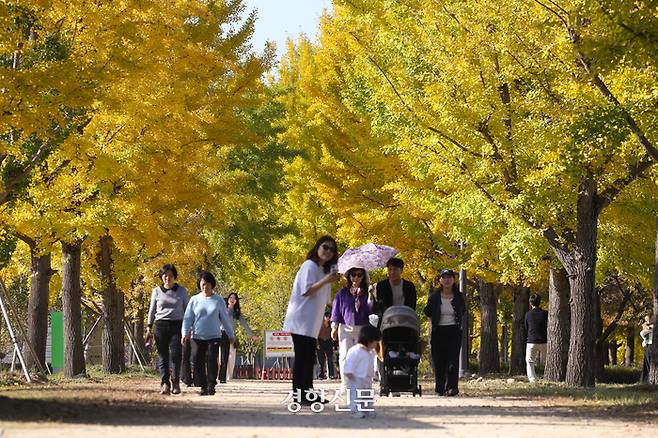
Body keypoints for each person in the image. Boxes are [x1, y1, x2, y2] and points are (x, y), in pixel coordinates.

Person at [283, 235, 340, 405]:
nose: (328, 251)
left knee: (309, 357)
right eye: (325, 247)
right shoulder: (309, 266)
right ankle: (299, 395)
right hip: (300, 319)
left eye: (332, 249)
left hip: (312, 322)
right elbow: (306, 291)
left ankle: (308, 393)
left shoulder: (325, 271)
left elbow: (327, 301)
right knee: (302, 357)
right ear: (317, 248)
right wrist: (326, 280)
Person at [182, 271, 235, 396]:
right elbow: (188, 318)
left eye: (208, 284)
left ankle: (211, 384)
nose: (205, 287)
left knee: (211, 360)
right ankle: (203, 386)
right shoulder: (194, 300)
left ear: (212, 285)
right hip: (197, 336)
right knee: (197, 361)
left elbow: (225, 319)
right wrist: (184, 333)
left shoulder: (218, 301)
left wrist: (231, 335)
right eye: (203, 284)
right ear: (199, 285)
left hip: (214, 336)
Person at [372, 257, 416, 391]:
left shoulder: (409, 286)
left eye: (395, 269)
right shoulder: (381, 285)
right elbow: (380, 305)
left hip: (405, 321)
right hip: (388, 321)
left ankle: (408, 367)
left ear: (401, 270)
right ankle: (384, 379)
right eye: (390, 269)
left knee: (411, 338)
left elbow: (412, 304)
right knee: (382, 345)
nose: (392, 272)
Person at [145, 264, 189, 395]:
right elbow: (152, 310)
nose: (167, 278)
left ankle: (175, 382)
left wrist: (189, 327)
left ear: (174, 277)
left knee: (176, 355)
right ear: (161, 277)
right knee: (163, 356)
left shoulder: (182, 291)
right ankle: (165, 383)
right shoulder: (156, 291)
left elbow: (187, 310)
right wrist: (149, 326)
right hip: (160, 326)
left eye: (170, 275)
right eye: (165, 275)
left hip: (177, 326)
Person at [424, 269, 466, 396]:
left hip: (454, 330)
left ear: (454, 280)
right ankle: (440, 388)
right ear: (440, 280)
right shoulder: (435, 296)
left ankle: (452, 387)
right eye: (444, 277)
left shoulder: (458, 296)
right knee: (439, 360)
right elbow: (427, 311)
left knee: (453, 360)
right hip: (438, 331)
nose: (447, 280)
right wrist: (433, 322)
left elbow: (462, 310)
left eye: (450, 277)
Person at [331, 265, 372, 392]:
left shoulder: (367, 292)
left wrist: (369, 296)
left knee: (362, 356)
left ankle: (362, 384)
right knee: (344, 356)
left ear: (363, 277)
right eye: (353, 274)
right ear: (348, 276)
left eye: (359, 275)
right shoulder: (342, 293)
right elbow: (336, 311)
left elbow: (370, 311)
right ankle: (346, 384)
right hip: (345, 327)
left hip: (362, 328)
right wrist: (334, 327)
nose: (356, 277)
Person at [341, 324, 382, 418]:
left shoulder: (371, 353)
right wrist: (348, 372)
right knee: (356, 395)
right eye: (375, 342)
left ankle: (367, 409)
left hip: (367, 378)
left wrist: (373, 373)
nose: (376, 345)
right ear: (369, 341)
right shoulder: (355, 351)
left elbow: (372, 364)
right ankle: (355, 410)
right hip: (356, 378)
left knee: (367, 394)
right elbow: (349, 362)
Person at [219, 292, 256, 382]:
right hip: (220, 334)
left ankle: (228, 375)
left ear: (236, 301)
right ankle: (221, 376)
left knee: (230, 356)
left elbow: (245, 324)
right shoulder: (222, 309)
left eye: (234, 298)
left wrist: (251, 335)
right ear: (228, 299)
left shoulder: (237, 313)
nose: (232, 299)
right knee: (221, 356)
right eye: (230, 297)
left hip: (231, 336)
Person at [524, 293, 548, 383]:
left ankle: (533, 380)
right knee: (546, 362)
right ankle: (548, 377)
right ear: (540, 302)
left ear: (531, 303)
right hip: (544, 341)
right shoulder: (545, 313)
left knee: (530, 362)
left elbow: (526, 326)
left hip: (531, 341)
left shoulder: (528, 314)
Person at [317, 312, 336, 379]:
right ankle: (320, 375)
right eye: (327, 317)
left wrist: (334, 343)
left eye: (329, 317)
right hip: (320, 341)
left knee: (330, 359)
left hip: (328, 342)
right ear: (324, 317)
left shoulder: (331, 325)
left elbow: (334, 335)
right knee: (321, 360)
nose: (328, 318)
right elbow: (316, 335)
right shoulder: (319, 325)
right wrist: (317, 344)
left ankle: (331, 375)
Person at [640, 315, 653, 383]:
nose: (647, 321)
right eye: (646, 320)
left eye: (649, 319)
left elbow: (648, 331)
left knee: (651, 362)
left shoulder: (653, 326)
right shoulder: (645, 326)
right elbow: (642, 333)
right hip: (648, 345)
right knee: (647, 362)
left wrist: (648, 328)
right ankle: (646, 379)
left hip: (652, 345)